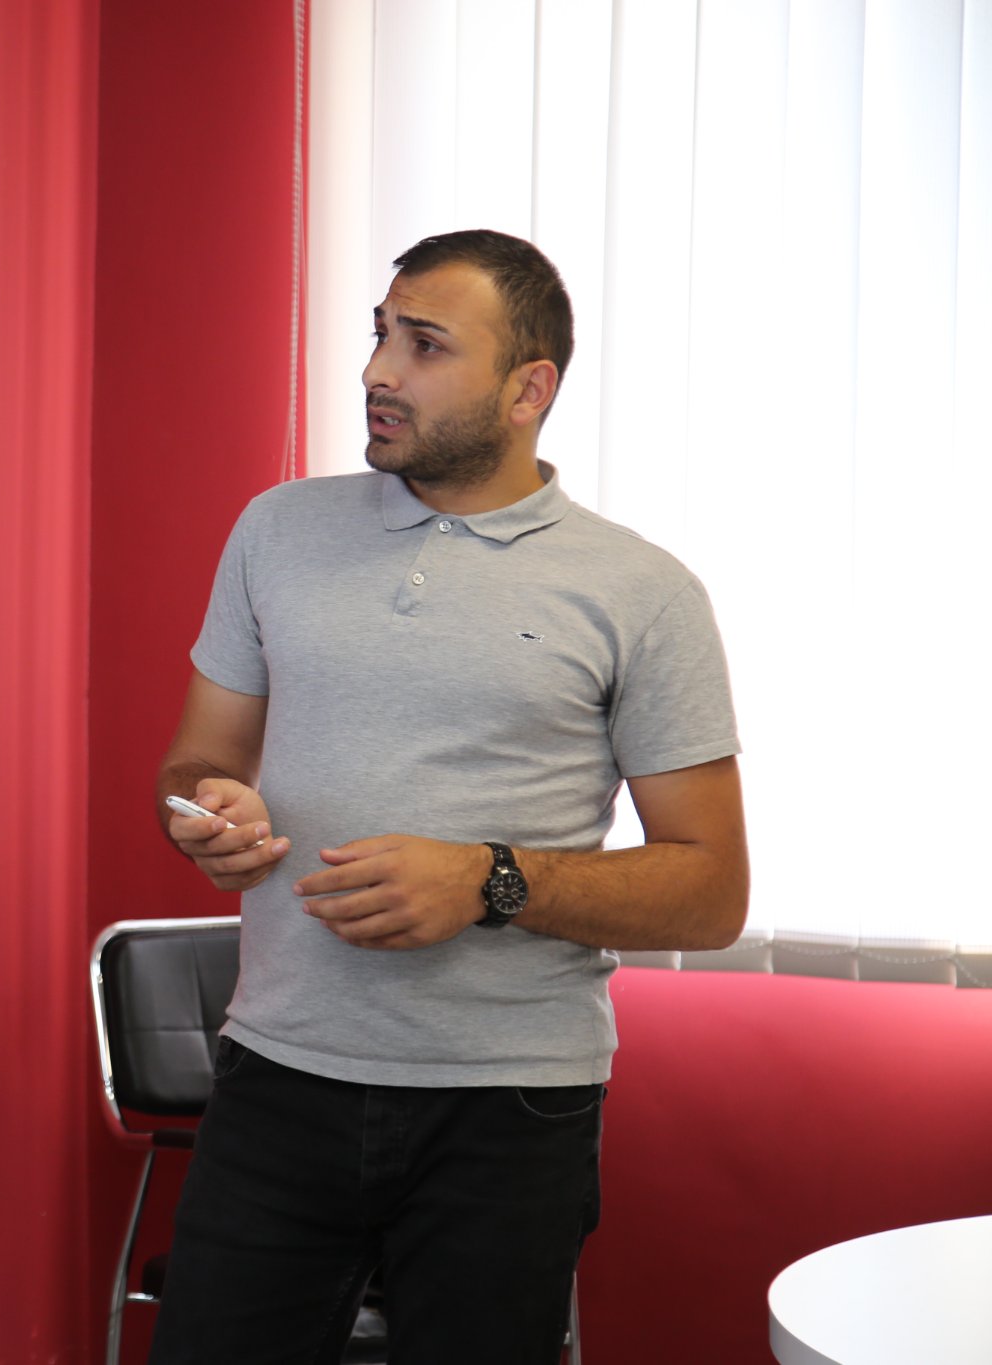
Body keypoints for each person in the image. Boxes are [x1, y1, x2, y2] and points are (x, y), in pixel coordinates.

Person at [149, 229, 748, 1365]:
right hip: (277, 1073)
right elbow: (194, 761)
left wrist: (488, 880)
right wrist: (206, 811)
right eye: (380, 334)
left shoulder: (643, 593)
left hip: (508, 1107)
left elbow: (709, 891)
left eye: (424, 346)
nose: (377, 370)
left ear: (528, 391)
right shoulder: (275, 529)